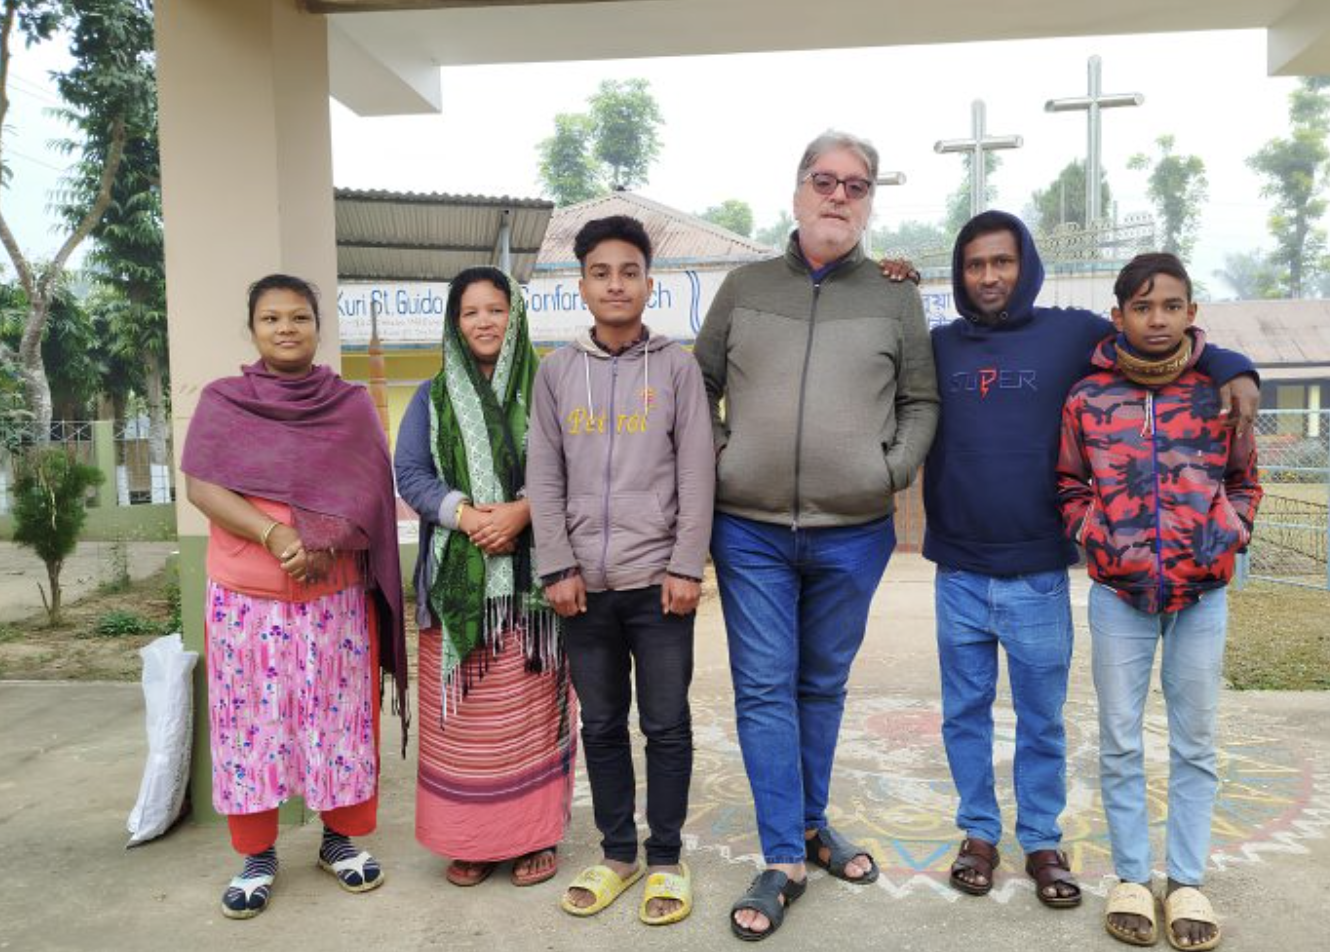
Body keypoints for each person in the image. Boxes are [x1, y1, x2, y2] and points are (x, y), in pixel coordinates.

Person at [923, 210, 1260, 909]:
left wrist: (1236, 366)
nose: (989, 276)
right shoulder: (941, 345)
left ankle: (1042, 842)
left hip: (1038, 575)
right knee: (965, 715)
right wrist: (893, 277)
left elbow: (1161, 337)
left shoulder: (1070, 333)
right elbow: (880, 354)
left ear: (1026, 266)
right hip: (958, 570)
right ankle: (978, 835)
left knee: (1042, 720)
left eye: (1002, 261)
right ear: (960, 273)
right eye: (975, 264)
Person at [693, 131, 940, 940]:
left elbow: (921, 400)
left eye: (856, 186)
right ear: (798, 190)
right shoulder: (746, 287)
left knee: (822, 686)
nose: (839, 195)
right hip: (750, 530)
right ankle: (783, 859)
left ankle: (808, 823)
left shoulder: (896, 295)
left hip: (854, 530)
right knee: (765, 688)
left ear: (870, 201)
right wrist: (722, 457)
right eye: (825, 181)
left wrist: (889, 470)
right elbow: (697, 382)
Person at [182, 273, 406, 920]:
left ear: (317, 326)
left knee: (338, 718)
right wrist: (277, 534)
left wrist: (327, 543)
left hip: (334, 593)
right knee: (250, 723)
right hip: (245, 597)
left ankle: (340, 841)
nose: (286, 328)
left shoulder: (350, 405)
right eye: (272, 318)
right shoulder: (225, 401)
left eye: (299, 317)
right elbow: (202, 486)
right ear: (253, 328)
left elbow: (371, 492)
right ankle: (256, 855)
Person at [1056, 253, 1261, 951]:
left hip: (1202, 596)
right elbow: (1069, 481)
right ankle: (1132, 877)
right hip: (1120, 595)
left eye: (1171, 306)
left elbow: (1245, 478)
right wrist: (1093, 532)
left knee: (1194, 742)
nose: (1157, 319)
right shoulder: (1088, 398)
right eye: (1142, 307)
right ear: (1118, 316)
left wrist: (1231, 531)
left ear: (1191, 312)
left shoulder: (1220, 392)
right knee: (1119, 740)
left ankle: (1187, 880)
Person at [527, 215, 715, 927]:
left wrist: (685, 564)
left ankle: (665, 857)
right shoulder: (556, 372)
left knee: (665, 724)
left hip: (659, 585)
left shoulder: (676, 368)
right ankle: (618, 854)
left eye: (629, 272)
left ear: (648, 284)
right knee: (602, 724)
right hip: (582, 589)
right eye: (601, 273)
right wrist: (556, 565)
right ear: (581, 287)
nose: (615, 284)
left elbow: (697, 472)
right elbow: (544, 475)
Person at [394, 266, 575, 889]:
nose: (484, 322)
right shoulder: (432, 397)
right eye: (470, 312)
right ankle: (468, 841)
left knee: (526, 723)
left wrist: (523, 511)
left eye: (495, 309)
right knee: (466, 731)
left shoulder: (548, 387)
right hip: (456, 590)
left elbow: (573, 464)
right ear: (454, 323)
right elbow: (411, 474)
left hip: (533, 591)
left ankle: (533, 838)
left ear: (515, 315)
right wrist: (469, 517)